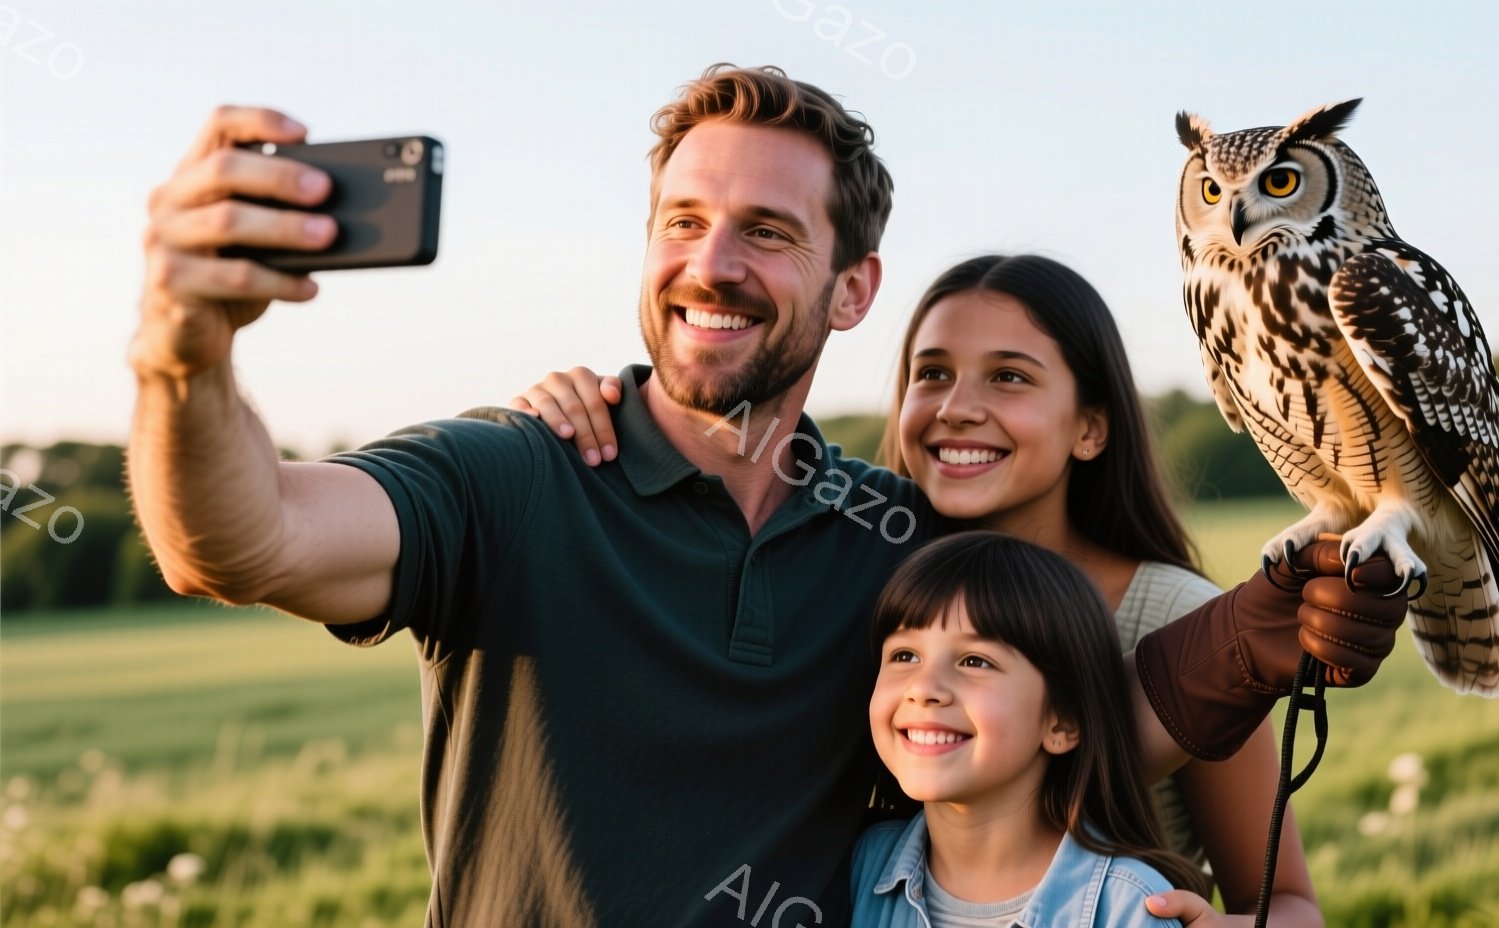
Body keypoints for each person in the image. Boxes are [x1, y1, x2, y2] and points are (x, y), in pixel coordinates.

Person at [128, 64, 1406, 927]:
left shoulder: (892, 540)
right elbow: (245, 540)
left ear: (852, 290)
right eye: (681, 221)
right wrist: (183, 358)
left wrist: (1248, 640)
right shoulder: (511, 473)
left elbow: (1057, 730)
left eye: (768, 232)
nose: (711, 263)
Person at [516, 254, 1323, 926]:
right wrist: (587, 414)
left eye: (1009, 377)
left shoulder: (1175, 615)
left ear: (1090, 426)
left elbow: (1285, 900)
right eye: (931, 374)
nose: (958, 408)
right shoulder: (869, 577)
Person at [853, 530, 1200, 927]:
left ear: (1062, 721)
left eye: (975, 661)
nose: (924, 689)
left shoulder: (1129, 909)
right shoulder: (855, 867)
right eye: (905, 655)